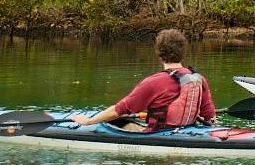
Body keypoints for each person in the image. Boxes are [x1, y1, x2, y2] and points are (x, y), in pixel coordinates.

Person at [72, 27, 217, 131]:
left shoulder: (154, 82)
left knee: (117, 123)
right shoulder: (198, 79)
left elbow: (119, 110)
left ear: (159, 53)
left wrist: (89, 121)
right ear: (183, 52)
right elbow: (210, 118)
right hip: (188, 131)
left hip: (157, 133)